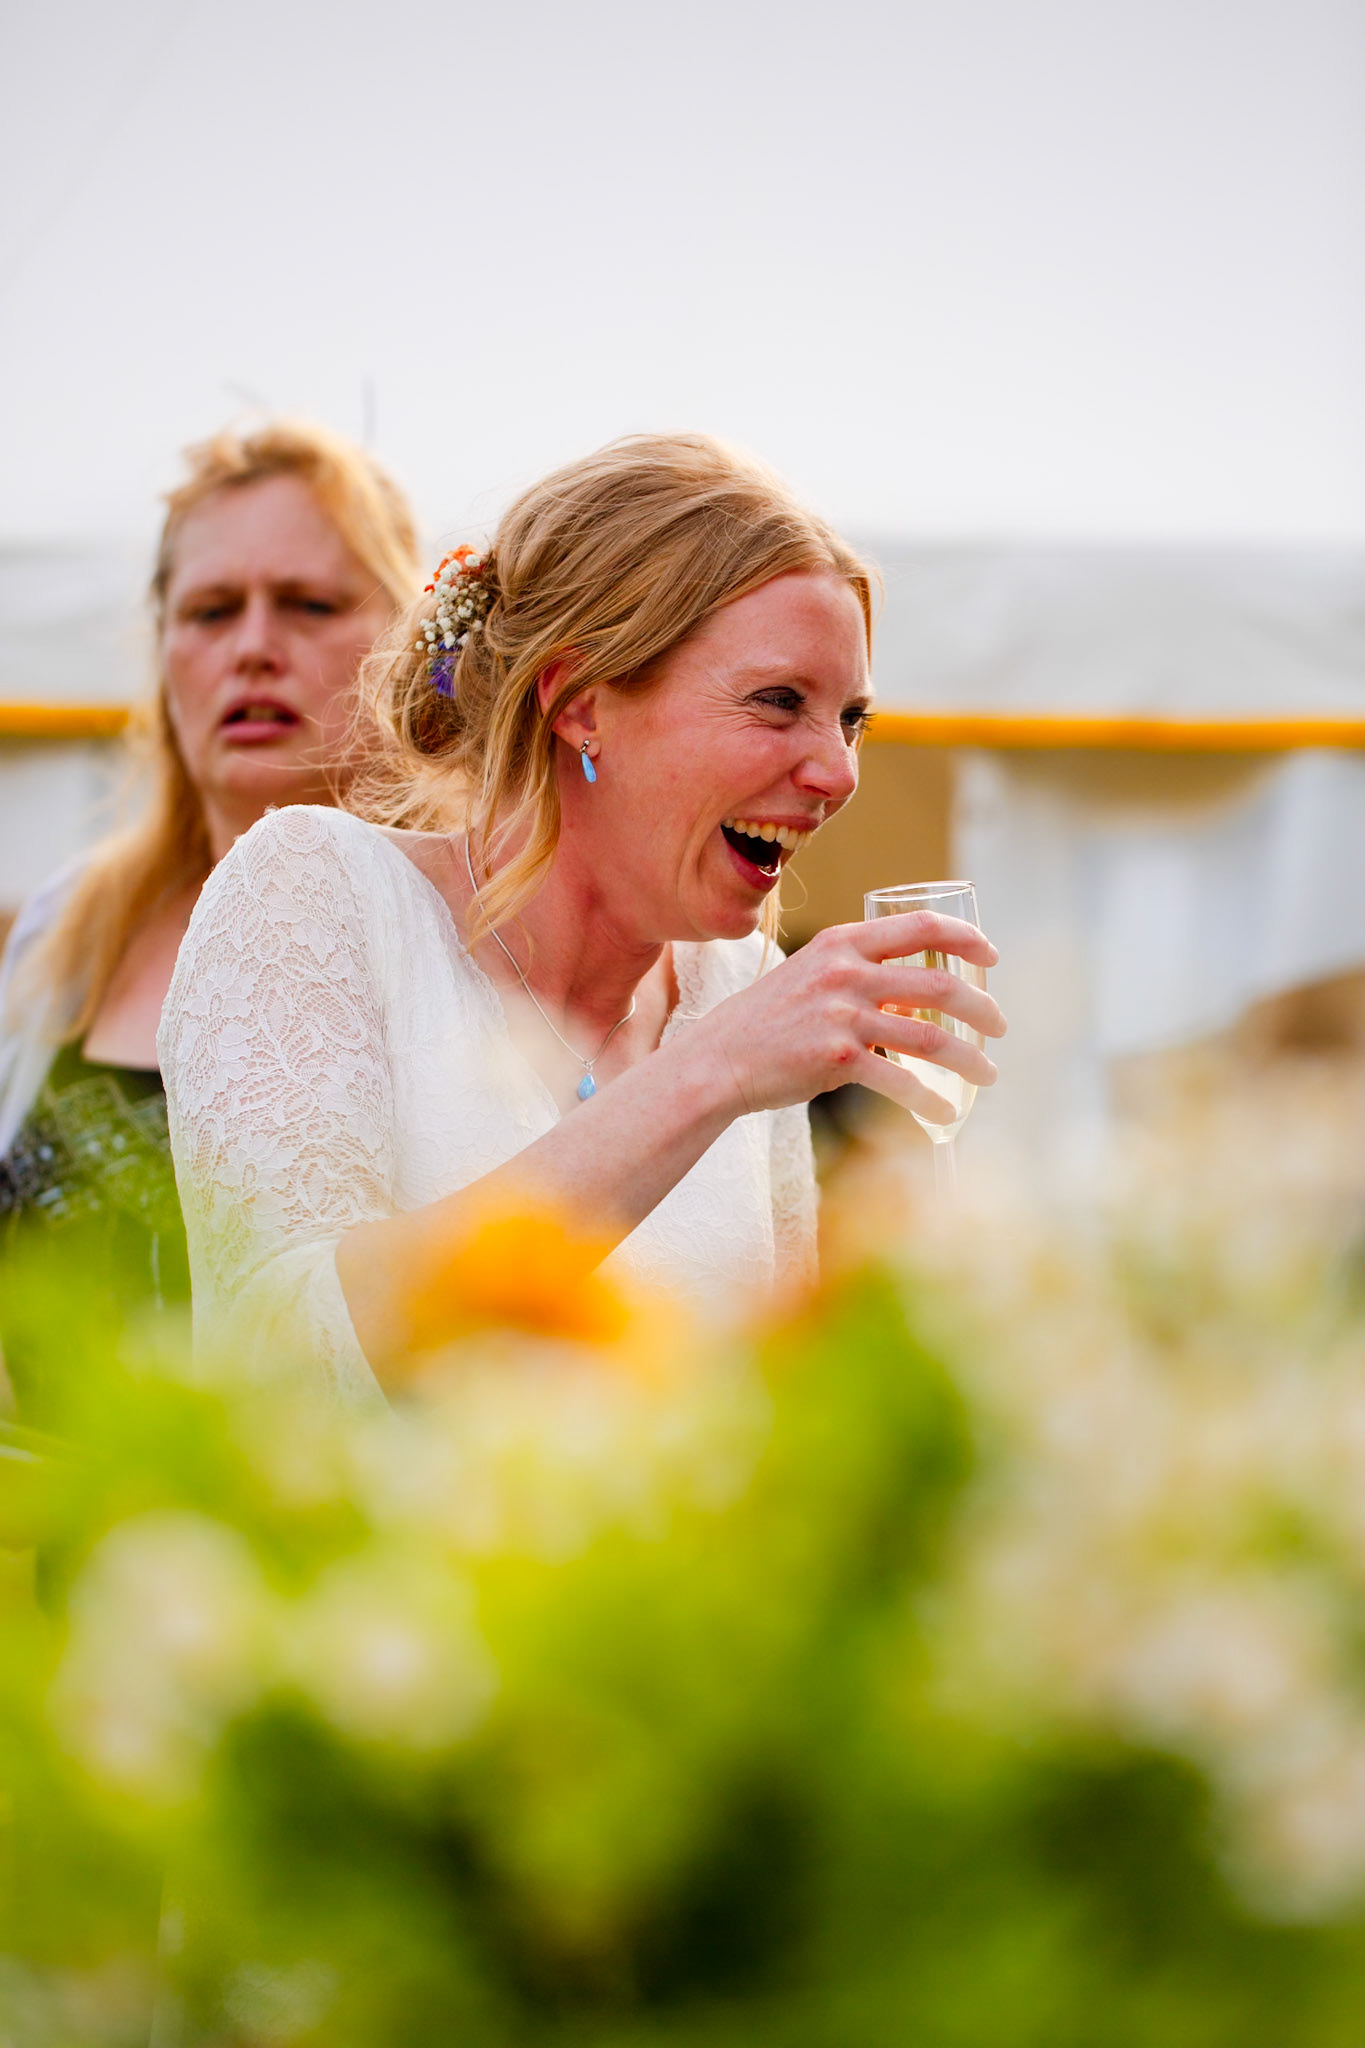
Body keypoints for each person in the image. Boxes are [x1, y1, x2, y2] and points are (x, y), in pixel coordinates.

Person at [159, 434, 1004, 1400]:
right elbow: (276, 1361)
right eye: (778, 703)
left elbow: (775, 1416)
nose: (838, 771)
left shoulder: (736, 989)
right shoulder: (313, 889)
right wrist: (712, 1073)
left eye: (849, 719)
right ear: (577, 704)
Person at [0, 419, 422, 1422]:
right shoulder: (75, 925)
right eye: (210, 609)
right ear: (161, 648)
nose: (253, 647)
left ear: (404, 639)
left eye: (310, 604)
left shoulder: (468, 927)